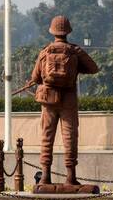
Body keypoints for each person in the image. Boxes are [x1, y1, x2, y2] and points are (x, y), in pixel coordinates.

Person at [26, 16, 98, 186]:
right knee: (70, 137)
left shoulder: (45, 52)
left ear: (52, 31)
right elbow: (93, 68)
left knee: (46, 137)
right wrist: (76, 65)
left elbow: (35, 77)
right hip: (69, 100)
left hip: (49, 100)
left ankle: (45, 176)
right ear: (68, 31)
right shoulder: (74, 51)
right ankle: (71, 177)